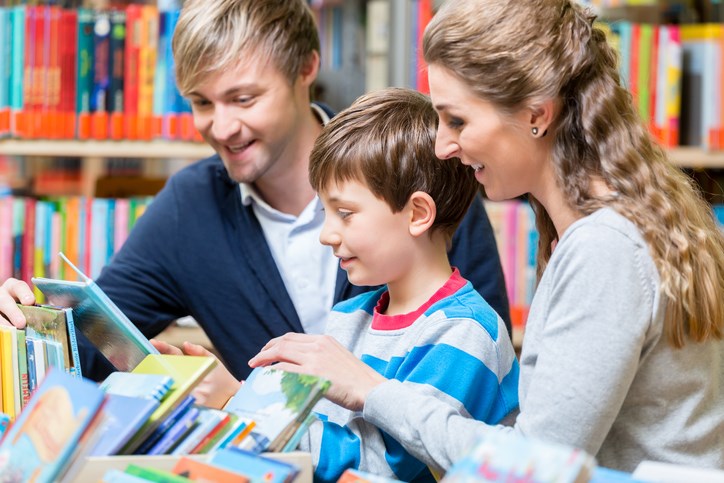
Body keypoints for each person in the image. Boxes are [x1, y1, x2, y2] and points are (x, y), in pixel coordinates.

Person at [249, 0, 724, 474]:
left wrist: (371, 390)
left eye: (457, 120)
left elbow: (534, 467)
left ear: (536, 114)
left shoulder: (604, 248)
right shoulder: (593, 229)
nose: (442, 145)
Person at [0, 0, 510, 388]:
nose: (222, 127)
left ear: (306, 69)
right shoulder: (190, 208)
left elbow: (482, 359)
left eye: (244, 98)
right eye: (202, 102)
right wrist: (25, 326)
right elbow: (89, 343)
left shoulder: (419, 170)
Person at [278, 87, 520, 483]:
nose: (326, 234)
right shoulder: (349, 318)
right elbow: (323, 429)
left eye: (344, 213)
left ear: (418, 213)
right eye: (325, 212)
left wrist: (246, 416)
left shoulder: (465, 333)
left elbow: (384, 468)